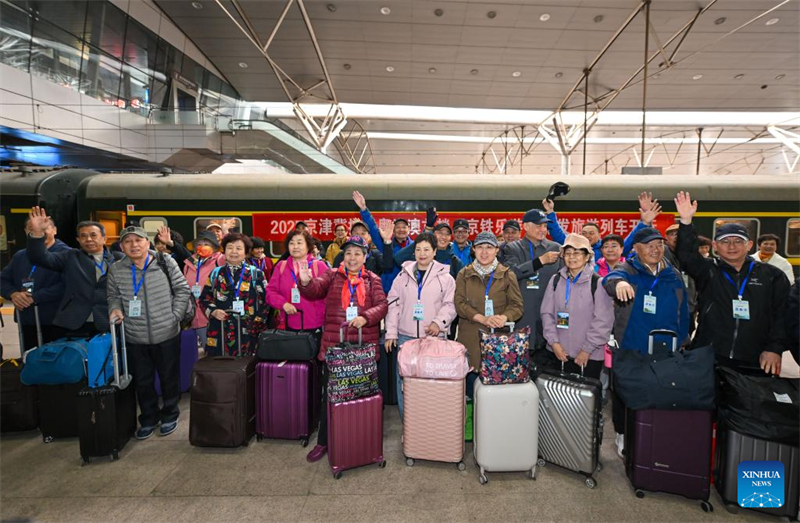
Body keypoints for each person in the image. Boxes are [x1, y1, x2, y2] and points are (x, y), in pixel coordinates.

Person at [674, 192, 789, 374]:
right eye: (725, 241)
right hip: (711, 355)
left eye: (738, 241)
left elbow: (782, 315)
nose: (732, 246)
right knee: (709, 401)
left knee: (750, 402)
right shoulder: (708, 271)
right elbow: (686, 255)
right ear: (714, 246)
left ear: (749, 245)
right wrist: (686, 222)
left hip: (756, 357)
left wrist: (775, 349)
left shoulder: (772, 275)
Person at [297, 235, 388, 463]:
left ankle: (361, 440)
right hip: (335, 349)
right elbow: (315, 290)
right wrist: (306, 282)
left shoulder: (372, 280)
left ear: (365, 257)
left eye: (357, 253)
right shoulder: (332, 275)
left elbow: (382, 305)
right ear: (343, 256)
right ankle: (324, 442)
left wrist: (365, 318)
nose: (352, 257)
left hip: (362, 350)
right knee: (330, 395)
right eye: (348, 253)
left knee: (363, 396)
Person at [602, 226, 690, 459]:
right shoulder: (627, 269)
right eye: (649, 245)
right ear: (636, 249)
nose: (655, 249)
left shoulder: (672, 273)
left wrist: (683, 337)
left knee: (659, 391)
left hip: (666, 347)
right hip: (633, 343)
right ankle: (622, 433)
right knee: (625, 391)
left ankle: (653, 435)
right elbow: (611, 279)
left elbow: (686, 307)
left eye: (659, 245)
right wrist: (619, 284)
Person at [107, 226, 192, 439]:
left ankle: (170, 414)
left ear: (148, 243)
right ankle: (148, 418)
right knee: (142, 380)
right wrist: (115, 308)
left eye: (139, 240)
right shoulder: (117, 269)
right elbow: (113, 296)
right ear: (122, 246)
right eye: (128, 241)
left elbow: (182, 290)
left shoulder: (165, 262)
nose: (134, 245)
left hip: (166, 331)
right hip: (135, 335)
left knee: (168, 377)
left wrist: (175, 316)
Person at [384, 232, 457, 419]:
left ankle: (429, 425)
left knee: (431, 384)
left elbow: (450, 305)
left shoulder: (446, 278)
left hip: (433, 338)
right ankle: (408, 427)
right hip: (405, 338)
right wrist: (391, 333)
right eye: (418, 249)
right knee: (405, 384)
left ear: (434, 252)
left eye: (426, 249)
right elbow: (393, 304)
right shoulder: (403, 275)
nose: (422, 253)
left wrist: (438, 323)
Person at [25, 207, 122, 337]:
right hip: (75, 322)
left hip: (108, 320)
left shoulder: (118, 259)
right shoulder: (70, 256)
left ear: (104, 238)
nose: (88, 239)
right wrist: (37, 234)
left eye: (93, 235)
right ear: (78, 240)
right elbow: (40, 257)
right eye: (83, 236)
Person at [454, 232, 524, 397]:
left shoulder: (507, 275)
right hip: (470, 338)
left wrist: (504, 317)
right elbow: (459, 304)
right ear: (474, 250)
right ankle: (470, 423)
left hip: (499, 341)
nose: (484, 252)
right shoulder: (464, 274)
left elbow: (517, 306)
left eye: (489, 247)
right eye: (480, 247)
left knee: (495, 395)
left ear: (496, 250)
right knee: (470, 392)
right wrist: (482, 318)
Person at [539, 234, 614, 380]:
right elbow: (546, 314)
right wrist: (554, 343)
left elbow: (603, 321)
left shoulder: (597, 283)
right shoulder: (556, 280)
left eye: (577, 253)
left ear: (587, 257)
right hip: (559, 353)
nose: (571, 257)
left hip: (589, 356)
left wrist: (586, 350)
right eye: (568, 253)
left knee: (586, 399)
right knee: (560, 397)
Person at [1, 216, 69, 350]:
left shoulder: (67, 254)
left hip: (57, 320)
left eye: (43, 229)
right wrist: (13, 294)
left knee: (57, 361)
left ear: (54, 230)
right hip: (27, 319)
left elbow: (67, 285)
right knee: (31, 360)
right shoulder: (20, 255)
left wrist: (35, 297)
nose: (38, 233)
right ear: (26, 232)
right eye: (32, 230)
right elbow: (3, 279)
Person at [198, 233, 269, 356]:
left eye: (239, 248)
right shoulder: (216, 273)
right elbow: (204, 299)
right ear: (224, 251)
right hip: (220, 331)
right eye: (230, 247)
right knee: (221, 369)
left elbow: (266, 301)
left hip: (248, 333)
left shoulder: (256, 274)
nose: (233, 251)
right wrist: (214, 311)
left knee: (246, 370)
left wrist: (256, 324)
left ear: (246, 252)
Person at [501, 209, 561, 350]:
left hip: (549, 315)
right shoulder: (513, 248)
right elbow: (510, 274)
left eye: (545, 226)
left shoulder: (556, 248)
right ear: (526, 227)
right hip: (523, 315)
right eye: (538, 226)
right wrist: (539, 262)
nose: (543, 229)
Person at [542, 192, 662, 260]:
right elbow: (557, 233)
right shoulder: (574, 247)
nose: (587, 236)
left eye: (591, 233)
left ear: (600, 235)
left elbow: (630, 240)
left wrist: (644, 222)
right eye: (584, 233)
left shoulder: (607, 250)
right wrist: (550, 212)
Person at [266, 230, 329, 336]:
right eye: (292, 243)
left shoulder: (319, 266)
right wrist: (283, 304)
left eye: (299, 243)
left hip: (315, 324)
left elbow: (328, 293)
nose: (295, 246)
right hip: (288, 323)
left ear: (308, 246)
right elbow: (270, 292)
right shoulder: (281, 266)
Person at [352, 190, 413, 292]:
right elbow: (373, 229)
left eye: (404, 227)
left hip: (410, 290)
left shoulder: (415, 247)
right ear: (393, 230)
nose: (401, 230)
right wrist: (364, 209)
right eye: (397, 227)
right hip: (388, 290)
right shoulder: (386, 245)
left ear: (409, 230)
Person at [183, 231, 225, 349]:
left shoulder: (220, 260)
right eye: (200, 243)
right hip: (192, 317)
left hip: (212, 315)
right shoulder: (188, 264)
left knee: (213, 352)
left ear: (215, 247)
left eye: (207, 243)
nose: (203, 246)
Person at [394, 222, 463, 281]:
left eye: (447, 234)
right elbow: (398, 258)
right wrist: (421, 240)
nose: (443, 237)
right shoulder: (423, 257)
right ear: (433, 234)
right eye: (440, 233)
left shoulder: (455, 262)